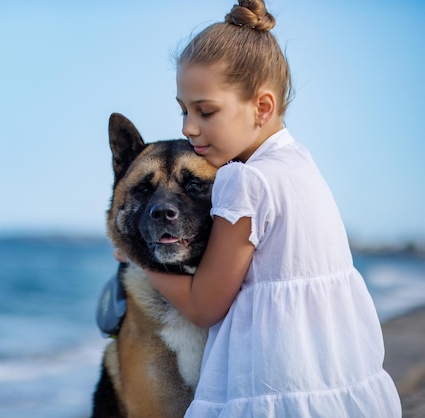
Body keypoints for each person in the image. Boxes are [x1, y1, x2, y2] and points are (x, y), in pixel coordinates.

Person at [117, 0, 402, 416]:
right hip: (336, 383)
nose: (187, 128)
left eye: (205, 111)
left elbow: (204, 306)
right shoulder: (300, 163)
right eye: (184, 110)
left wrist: (138, 261)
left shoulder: (243, 181)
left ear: (262, 108)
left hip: (277, 387)